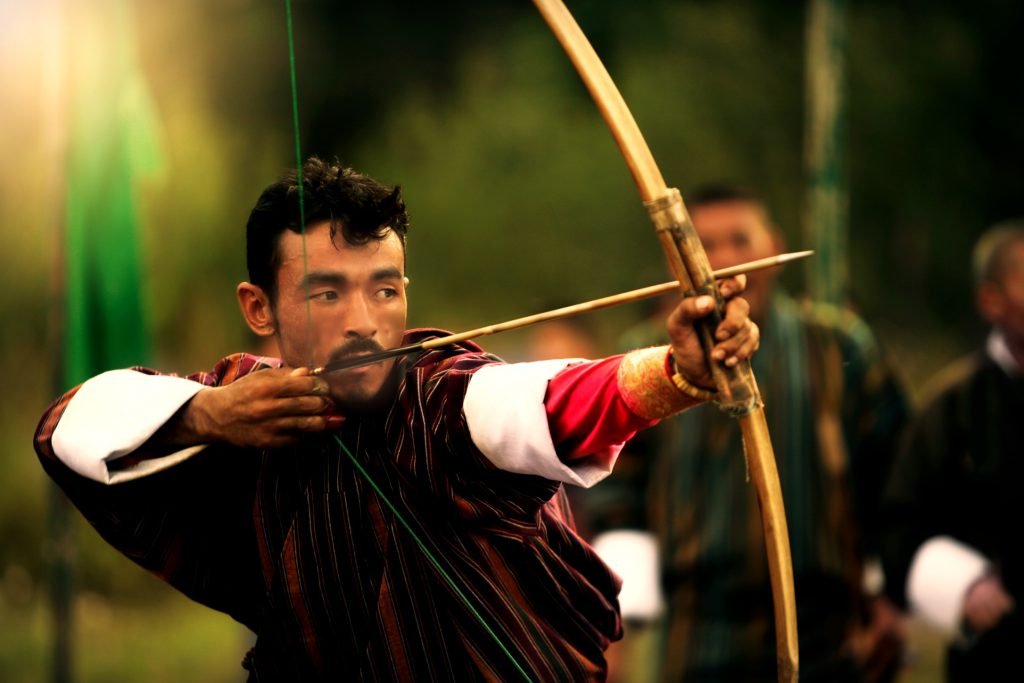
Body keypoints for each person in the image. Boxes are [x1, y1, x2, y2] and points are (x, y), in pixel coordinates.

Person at [33, 158, 761, 681]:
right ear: (259, 308)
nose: (364, 322)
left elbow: (534, 403)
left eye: (384, 289)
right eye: (327, 294)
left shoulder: (437, 394)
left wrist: (675, 373)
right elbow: (69, 427)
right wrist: (209, 416)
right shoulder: (240, 404)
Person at [587, 185, 909, 682]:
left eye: (741, 240)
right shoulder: (648, 357)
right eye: (705, 245)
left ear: (774, 247)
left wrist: (890, 590)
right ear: (676, 261)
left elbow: (893, 471)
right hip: (698, 631)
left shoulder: (836, 345)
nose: (724, 260)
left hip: (830, 629)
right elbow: (617, 488)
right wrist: (619, 618)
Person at [881, 222, 1024, 682]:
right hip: (997, 654)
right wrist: (965, 586)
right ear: (990, 301)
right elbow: (900, 525)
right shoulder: (954, 406)